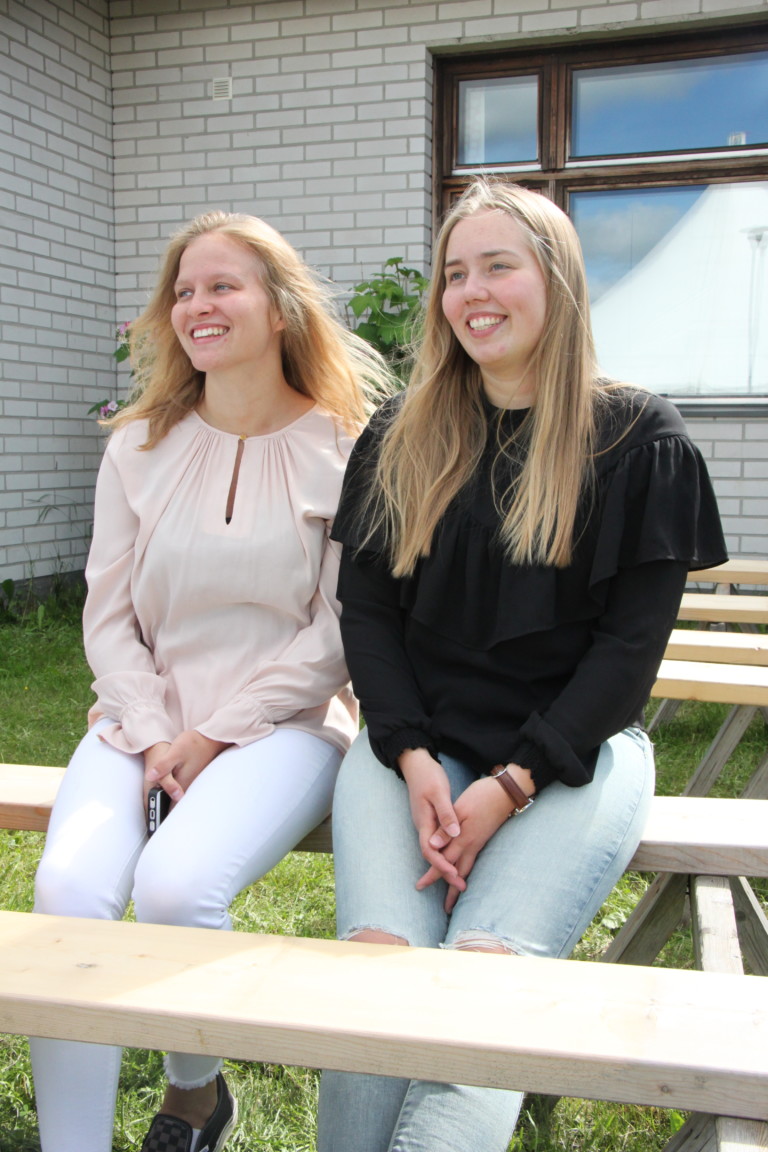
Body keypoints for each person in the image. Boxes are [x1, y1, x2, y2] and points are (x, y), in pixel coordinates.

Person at [317, 179, 728, 1152]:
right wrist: (411, 756)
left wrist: (509, 786)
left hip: (576, 754)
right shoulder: (400, 434)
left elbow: (627, 656)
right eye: (456, 273)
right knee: (375, 978)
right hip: (413, 748)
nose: (472, 291)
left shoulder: (640, 440)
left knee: (486, 981)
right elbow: (366, 614)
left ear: (558, 281)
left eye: (498, 266)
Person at [31, 210, 388, 1152]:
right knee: (66, 891)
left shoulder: (349, 447)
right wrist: (155, 731)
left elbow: (340, 629)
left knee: (177, 884)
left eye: (223, 285)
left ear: (280, 307)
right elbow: (107, 614)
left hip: (289, 723)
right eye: (184, 291)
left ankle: (195, 1096)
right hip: (141, 718)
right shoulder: (136, 446)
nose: (198, 306)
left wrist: (217, 732)